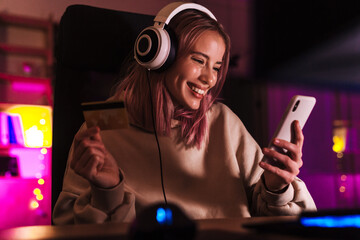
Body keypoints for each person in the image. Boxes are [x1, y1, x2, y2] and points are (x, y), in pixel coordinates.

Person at [53, 2, 316, 225]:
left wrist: (275, 188)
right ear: (161, 56)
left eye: (216, 67)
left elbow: (281, 223)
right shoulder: (103, 121)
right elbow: (68, 227)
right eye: (199, 60)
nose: (209, 78)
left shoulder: (223, 121)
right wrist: (107, 190)